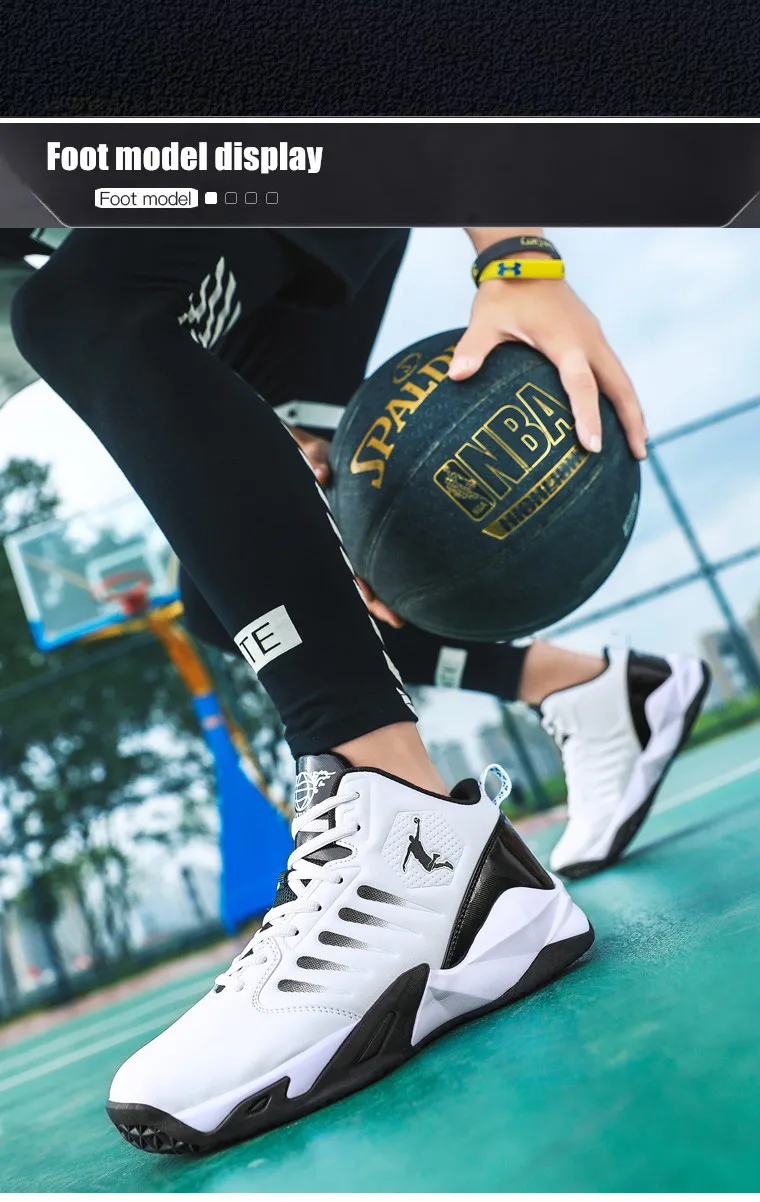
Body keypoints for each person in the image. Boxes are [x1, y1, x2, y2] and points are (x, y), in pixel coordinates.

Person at [10, 226, 708, 1153]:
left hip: (286, 166)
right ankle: (583, 692)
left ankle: (407, 839)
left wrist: (516, 257)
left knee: (84, 314)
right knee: (227, 594)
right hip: (189, 242)